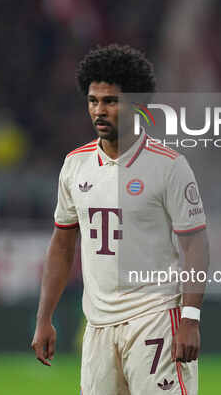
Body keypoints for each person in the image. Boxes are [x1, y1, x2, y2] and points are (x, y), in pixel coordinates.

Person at [31, 44, 209, 395]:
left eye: (110, 101)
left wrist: (190, 318)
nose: (99, 110)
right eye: (93, 101)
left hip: (155, 318)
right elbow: (63, 243)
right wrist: (44, 318)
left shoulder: (169, 166)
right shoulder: (75, 165)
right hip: (97, 327)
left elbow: (195, 245)